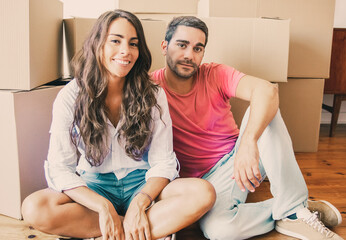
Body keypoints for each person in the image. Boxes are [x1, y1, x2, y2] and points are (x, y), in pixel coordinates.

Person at [21, 10, 216, 240]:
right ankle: (131, 229)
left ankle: (116, 230)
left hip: (141, 183)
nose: (126, 51)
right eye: (116, 40)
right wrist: (103, 207)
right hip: (94, 186)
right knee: (34, 207)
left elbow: (163, 162)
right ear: (98, 44)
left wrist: (140, 202)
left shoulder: (153, 94)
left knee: (203, 193)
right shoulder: (71, 96)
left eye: (133, 44)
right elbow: (59, 168)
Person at [151, 16, 344, 240]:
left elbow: (268, 90)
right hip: (194, 183)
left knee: (265, 106)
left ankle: (293, 212)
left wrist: (248, 142)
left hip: (237, 161)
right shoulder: (149, 88)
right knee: (220, 230)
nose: (189, 55)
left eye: (198, 48)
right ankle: (297, 207)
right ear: (165, 47)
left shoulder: (214, 73)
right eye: (182, 45)